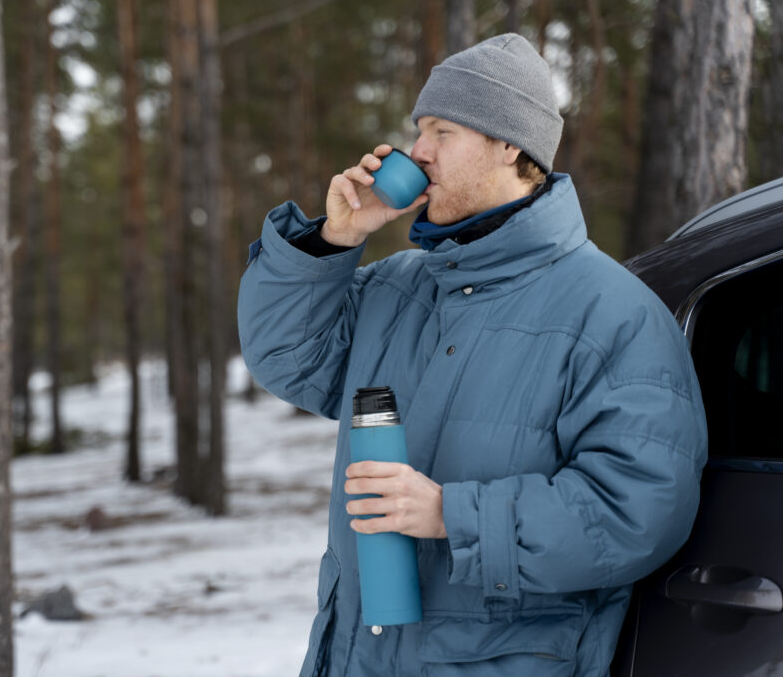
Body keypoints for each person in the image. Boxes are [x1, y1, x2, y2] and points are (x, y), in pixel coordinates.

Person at [238, 33, 707, 676]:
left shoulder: (613, 315)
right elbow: (286, 356)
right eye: (418, 130)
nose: (417, 151)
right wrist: (333, 240)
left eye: (441, 131)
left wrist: (450, 515)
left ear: (510, 146)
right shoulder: (399, 287)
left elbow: (637, 513)